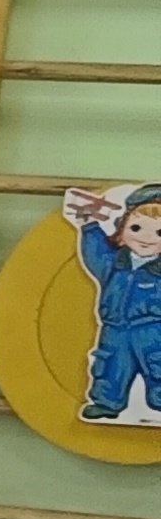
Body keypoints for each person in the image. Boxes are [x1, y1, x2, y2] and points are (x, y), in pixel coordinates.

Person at [64, 182, 161, 425]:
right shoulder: (113, 265)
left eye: (159, 233)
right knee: (111, 366)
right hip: (115, 330)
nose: (146, 238)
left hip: (154, 331)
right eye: (136, 227)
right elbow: (95, 252)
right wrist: (89, 226)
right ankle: (106, 403)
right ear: (122, 228)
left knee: (158, 366)